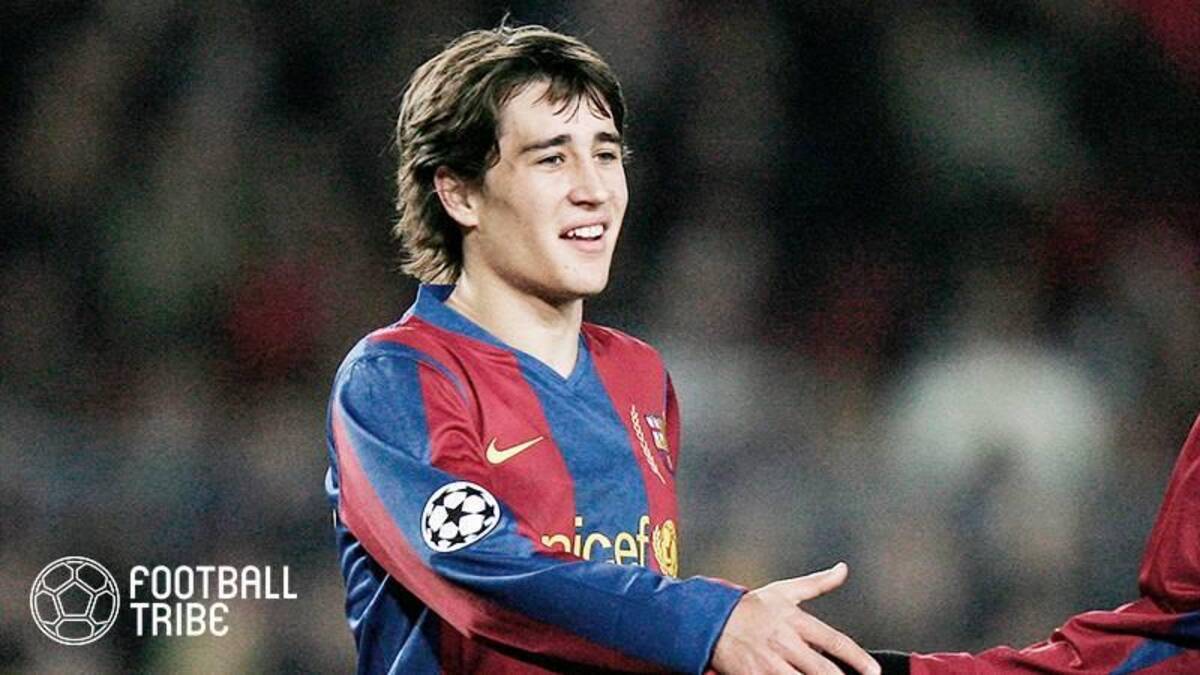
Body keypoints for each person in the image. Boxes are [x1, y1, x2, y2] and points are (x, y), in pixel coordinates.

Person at [323, 23, 881, 675]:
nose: (593, 188)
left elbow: (629, 628)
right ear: (460, 193)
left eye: (606, 154)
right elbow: (477, 567)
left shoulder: (639, 375)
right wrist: (707, 622)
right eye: (552, 159)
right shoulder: (397, 377)